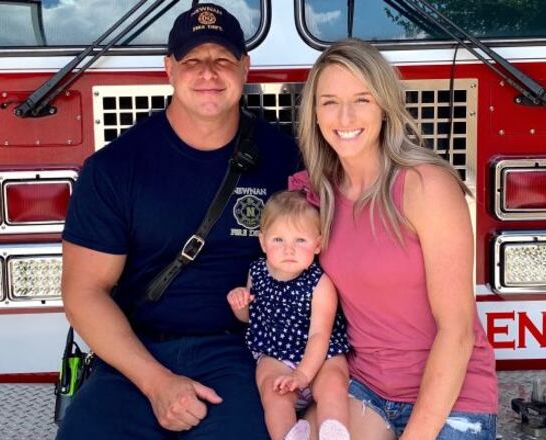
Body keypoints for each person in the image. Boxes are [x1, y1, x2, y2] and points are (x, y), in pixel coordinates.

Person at [56, 4, 300, 439]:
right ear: (169, 69)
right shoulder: (115, 167)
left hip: (243, 355)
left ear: (245, 67)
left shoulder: (286, 161)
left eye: (222, 59)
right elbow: (84, 291)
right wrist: (156, 383)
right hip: (135, 356)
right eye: (192, 60)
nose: (208, 72)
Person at [293, 39, 499, 440]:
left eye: (362, 100)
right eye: (330, 102)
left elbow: (457, 331)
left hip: (452, 395)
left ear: (385, 106)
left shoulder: (426, 186)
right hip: (367, 387)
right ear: (314, 113)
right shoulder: (320, 193)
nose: (345, 116)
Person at [226, 190, 351, 440]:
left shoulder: (320, 283)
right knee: (272, 391)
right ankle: (288, 435)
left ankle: (333, 428)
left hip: (320, 356)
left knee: (334, 382)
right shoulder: (257, 272)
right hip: (276, 354)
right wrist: (239, 304)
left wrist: (302, 374)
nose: (289, 250)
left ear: (317, 244)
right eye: (278, 240)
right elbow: (250, 319)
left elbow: (320, 335)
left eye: (300, 240)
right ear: (263, 242)